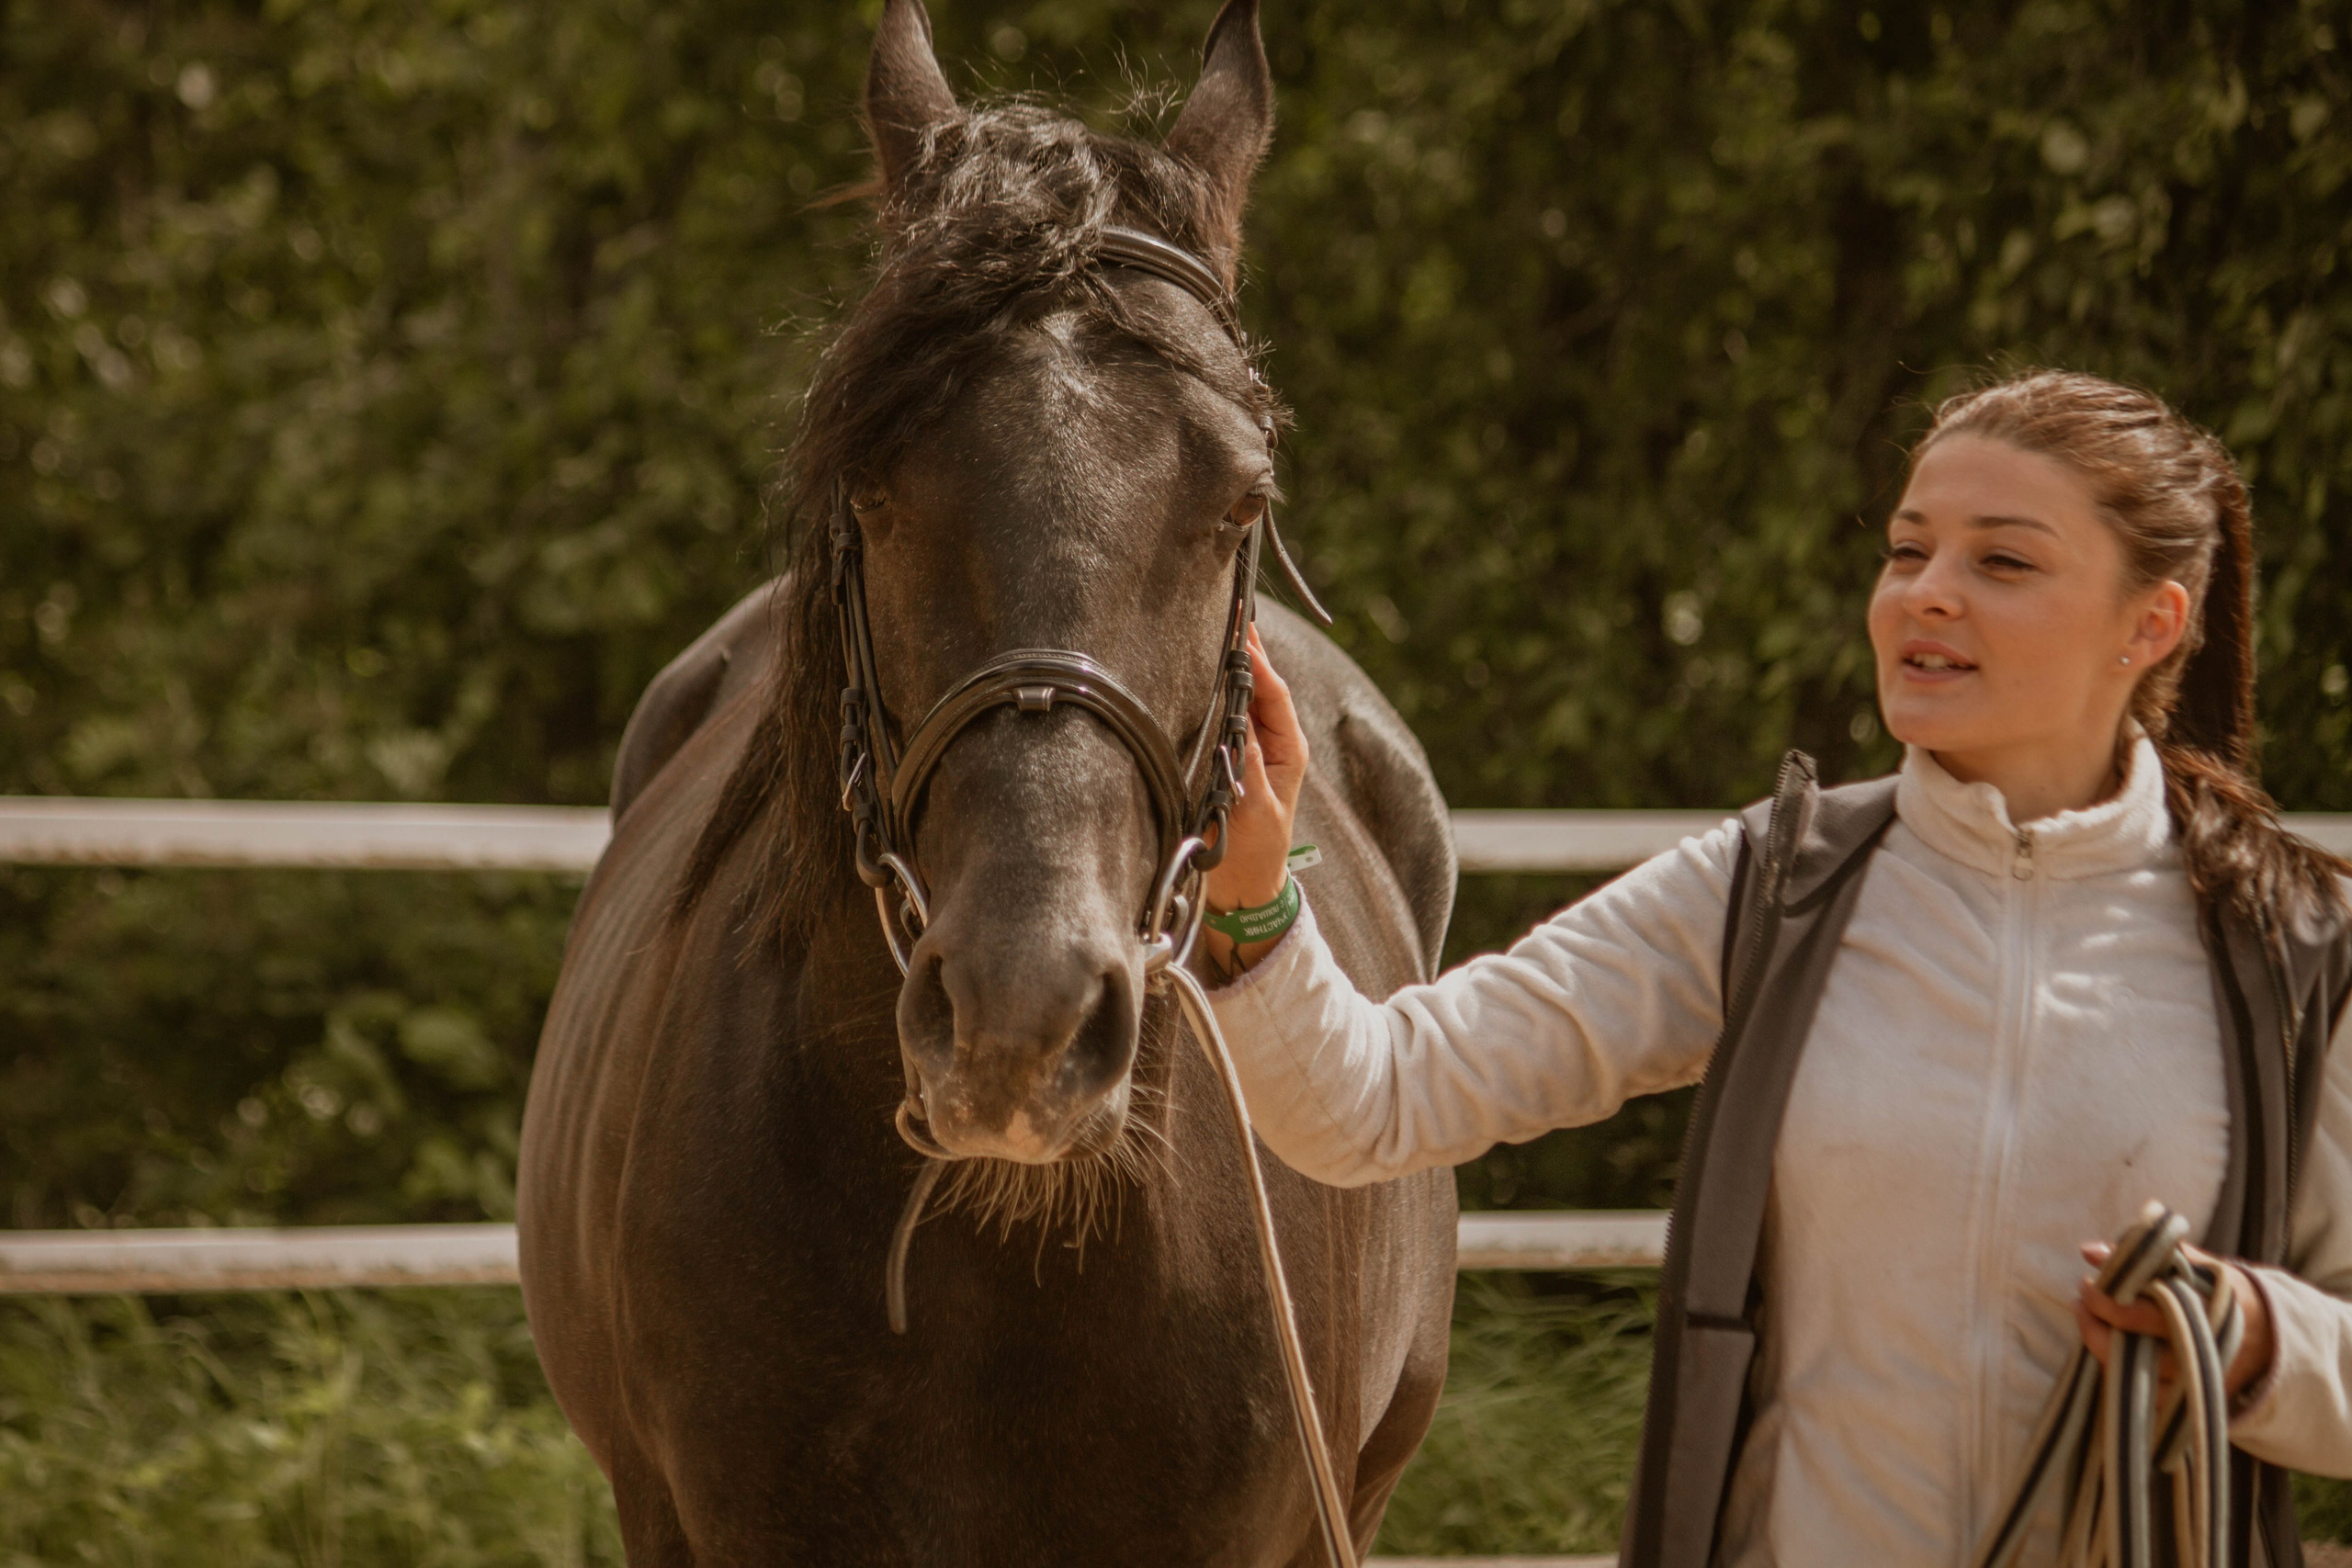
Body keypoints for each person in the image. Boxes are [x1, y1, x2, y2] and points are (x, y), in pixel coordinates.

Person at [1197, 369, 2352, 1567]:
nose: (1927, 597)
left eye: (2002, 563)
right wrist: (1251, 891)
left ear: (2149, 624)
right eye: (1909, 553)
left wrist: (2260, 1340)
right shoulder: (1772, 886)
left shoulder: (2296, 947)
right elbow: (1371, 1102)